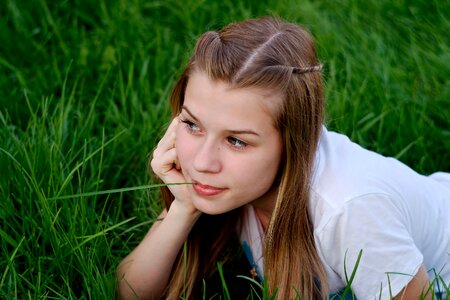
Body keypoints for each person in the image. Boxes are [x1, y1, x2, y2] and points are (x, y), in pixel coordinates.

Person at [116, 17, 450, 300]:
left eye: (236, 141)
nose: (202, 162)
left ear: (294, 142)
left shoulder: (349, 211)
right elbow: (129, 292)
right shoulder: (228, 180)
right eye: (192, 124)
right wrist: (184, 207)